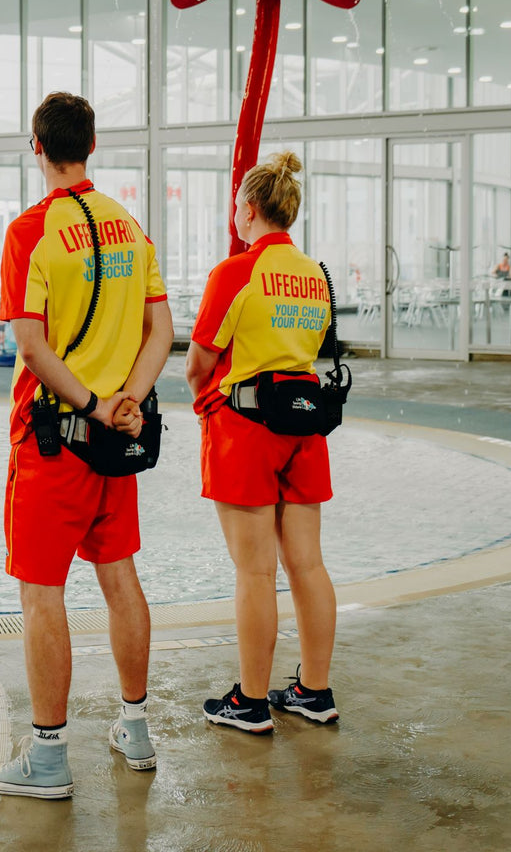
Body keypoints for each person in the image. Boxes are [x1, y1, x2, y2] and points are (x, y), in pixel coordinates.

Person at [0, 92, 174, 799]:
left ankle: (50, 756)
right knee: (120, 578)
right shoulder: (129, 226)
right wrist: (127, 404)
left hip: (55, 440)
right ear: (91, 145)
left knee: (42, 594)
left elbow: (30, 346)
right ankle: (135, 728)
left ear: (37, 147)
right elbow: (161, 331)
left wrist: (90, 405)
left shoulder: (30, 231)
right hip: (117, 442)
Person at [185, 151, 340, 735]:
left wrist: (206, 407)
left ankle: (250, 702)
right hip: (304, 424)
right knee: (308, 564)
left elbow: (199, 365)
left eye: (236, 206)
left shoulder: (236, 273)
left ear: (249, 209)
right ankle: (314, 691)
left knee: (254, 573)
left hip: (246, 428)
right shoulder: (315, 275)